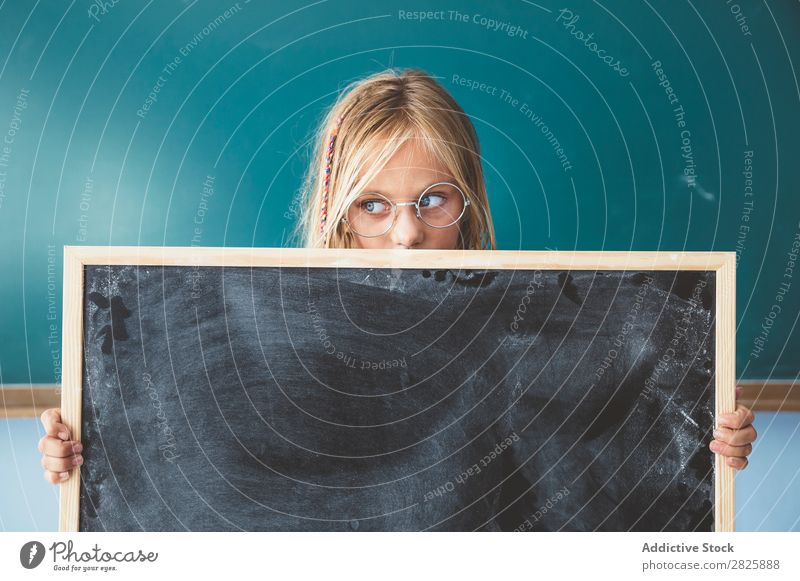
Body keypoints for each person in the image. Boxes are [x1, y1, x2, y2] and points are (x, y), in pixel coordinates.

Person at [39, 68, 756, 487]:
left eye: (433, 199)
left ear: (469, 198)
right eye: (373, 204)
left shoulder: (548, 336)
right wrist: (98, 453)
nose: (407, 231)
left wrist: (697, 439)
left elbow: (597, 467)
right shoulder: (245, 350)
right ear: (336, 211)